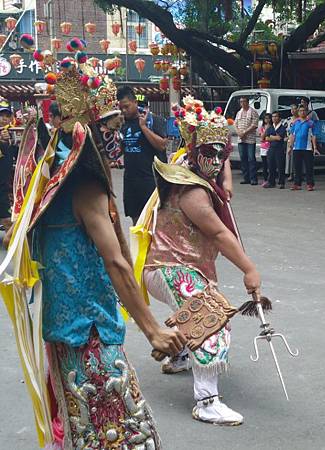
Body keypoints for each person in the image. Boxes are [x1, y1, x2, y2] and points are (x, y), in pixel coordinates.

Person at [0, 56, 184, 449]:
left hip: (61, 324)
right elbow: (115, 261)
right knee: (120, 434)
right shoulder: (84, 183)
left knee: (80, 429)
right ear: (89, 130)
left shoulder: (50, 177)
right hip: (90, 329)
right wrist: (152, 327)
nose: (114, 136)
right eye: (108, 128)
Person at [139, 96, 262, 425]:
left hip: (176, 268)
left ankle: (179, 355)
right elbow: (220, 234)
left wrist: (225, 180)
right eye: (209, 151)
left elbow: (222, 177)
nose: (217, 158)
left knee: (193, 308)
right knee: (211, 316)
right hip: (169, 268)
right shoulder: (192, 190)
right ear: (193, 151)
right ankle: (206, 400)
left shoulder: (191, 174)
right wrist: (249, 268)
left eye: (222, 152)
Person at [117, 85, 167, 223]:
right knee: (136, 221)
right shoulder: (122, 123)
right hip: (131, 182)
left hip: (151, 180)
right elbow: (121, 148)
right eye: (121, 108)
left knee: (153, 221)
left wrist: (143, 127)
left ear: (135, 102)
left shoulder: (153, 120)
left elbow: (162, 145)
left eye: (126, 106)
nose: (124, 110)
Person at [288, 105, 318, 191]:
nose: (302, 112)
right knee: (297, 167)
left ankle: (310, 184)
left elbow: (313, 136)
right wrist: (290, 146)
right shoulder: (295, 123)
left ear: (306, 112)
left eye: (304, 110)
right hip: (296, 148)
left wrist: (315, 147)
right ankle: (297, 184)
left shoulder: (310, 123)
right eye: (300, 111)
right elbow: (292, 135)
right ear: (298, 112)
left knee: (309, 167)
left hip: (307, 148)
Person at [234, 96, 259, 185]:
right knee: (243, 158)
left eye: (244, 101)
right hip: (241, 139)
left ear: (248, 102)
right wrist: (239, 133)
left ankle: (253, 179)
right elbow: (235, 124)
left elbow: (254, 125)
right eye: (241, 102)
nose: (242, 103)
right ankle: (246, 178)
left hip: (250, 139)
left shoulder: (253, 112)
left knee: (251, 158)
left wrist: (244, 132)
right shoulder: (239, 113)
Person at [0, 100, 16, 231]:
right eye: (1, 115)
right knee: (7, 222)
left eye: (7, 116)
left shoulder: (13, 133)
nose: (4, 119)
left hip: (6, 186)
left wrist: (8, 141)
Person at [264, 111, 287, 189]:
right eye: (273, 117)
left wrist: (272, 137)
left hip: (279, 148)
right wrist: (274, 137)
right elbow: (266, 138)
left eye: (276, 116)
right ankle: (271, 182)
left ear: (279, 118)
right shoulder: (270, 127)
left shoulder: (283, 128)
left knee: (280, 166)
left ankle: (281, 182)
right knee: (271, 166)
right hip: (271, 148)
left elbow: (280, 138)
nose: (274, 118)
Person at [259, 113, 272, 186]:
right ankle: (265, 179)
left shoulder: (273, 127)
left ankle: (270, 179)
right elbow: (262, 138)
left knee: (270, 164)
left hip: (270, 147)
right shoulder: (262, 127)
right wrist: (266, 130)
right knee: (264, 165)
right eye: (266, 118)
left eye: (268, 118)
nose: (267, 120)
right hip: (263, 147)